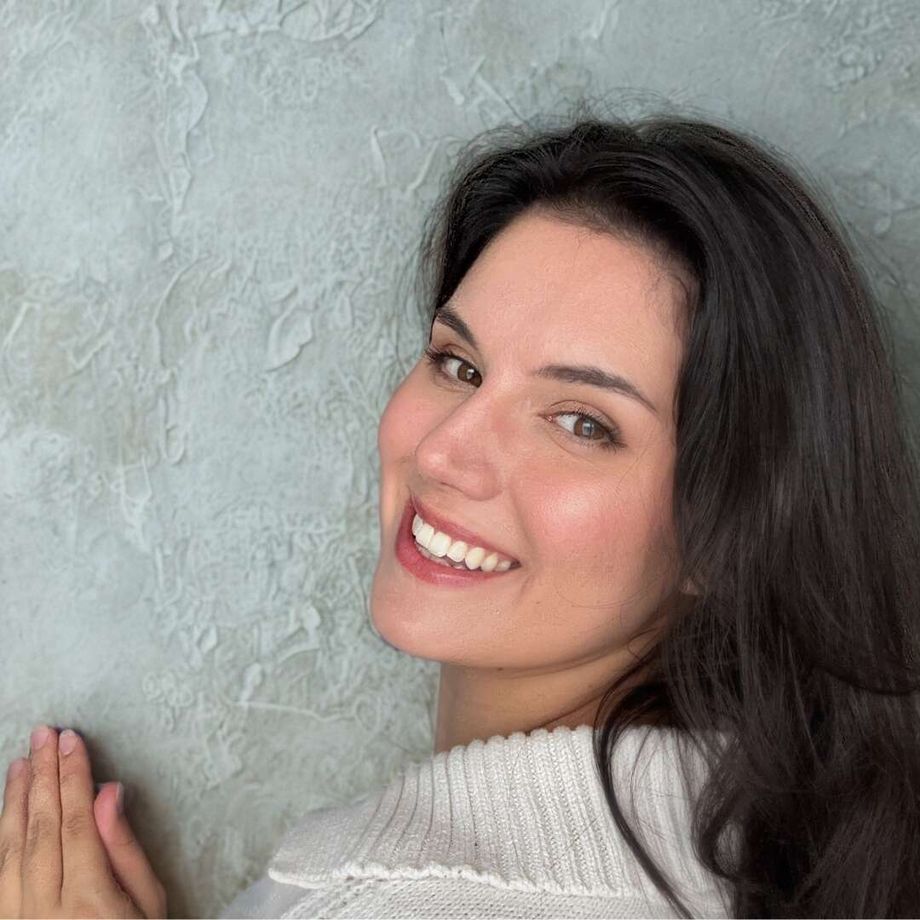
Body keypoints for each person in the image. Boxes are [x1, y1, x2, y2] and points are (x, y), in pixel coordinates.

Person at [3, 108, 919, 919]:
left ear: (731, 529)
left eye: (581, 423)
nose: (444, 450)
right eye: (458, 364)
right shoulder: (741, 858)